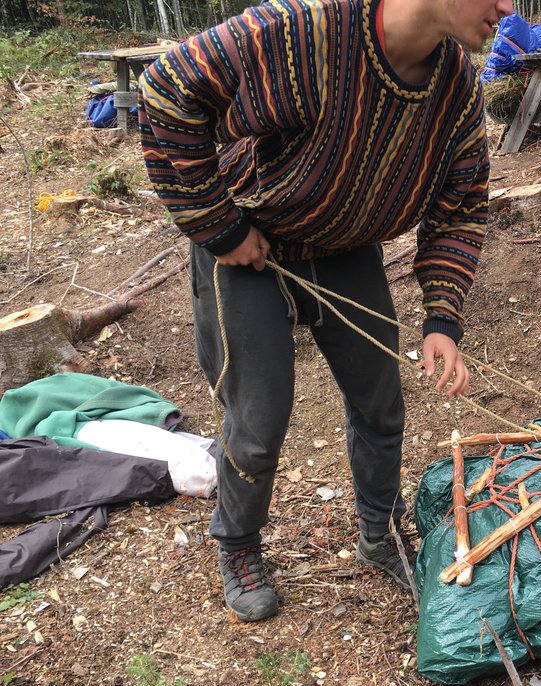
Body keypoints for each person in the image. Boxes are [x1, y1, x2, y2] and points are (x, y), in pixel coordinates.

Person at [137, 0, 513, 622]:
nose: (507, 8)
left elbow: (462, 201)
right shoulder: (304, 33)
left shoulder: (455, 86)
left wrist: (442, 318)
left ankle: (378, 534)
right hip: (247, 249)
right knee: (256, 422)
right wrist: (219, 227)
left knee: (381, 403)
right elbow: (169, 89)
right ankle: (236, 541)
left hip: (343, 249)